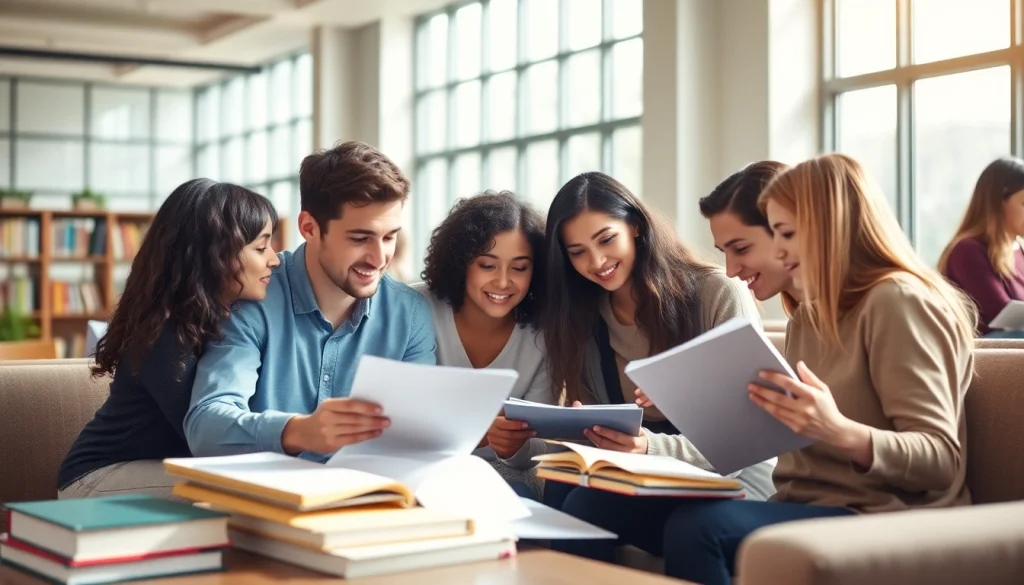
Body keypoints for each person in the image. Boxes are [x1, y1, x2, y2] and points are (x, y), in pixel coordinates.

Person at [650, 154, 976, 585]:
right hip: (805, 504)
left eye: (786, 233)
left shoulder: (896, 301)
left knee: (698, 530)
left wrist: (837, 429)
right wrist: (690, 400)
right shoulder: (808, 315)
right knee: (617, 508)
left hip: (880, 514)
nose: (780, 250)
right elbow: (790, 432)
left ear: (830, 227)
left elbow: (941, 460)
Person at [541, 171, 776, 556]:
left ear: (634, 226)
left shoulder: (716, 293)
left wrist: (648, 447)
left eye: (605, 240)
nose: (596, 261)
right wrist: (588, 433)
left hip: (731, 478)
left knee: (588, 507)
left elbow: (744, 440)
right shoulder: (585, 316)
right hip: (647, 477)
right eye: (577, 252)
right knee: (563, 484)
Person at [184, 141, 436, 459]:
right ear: (309, 228)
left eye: (389, 237)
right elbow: (205, 428)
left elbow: (421, 432)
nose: (378, 258)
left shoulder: (410, 314)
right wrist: (299, 431)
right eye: (360, 239)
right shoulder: (254, 299)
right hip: (270, 495)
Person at [57, 179, 280, 499]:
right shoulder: (164, 333)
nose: (274, 259)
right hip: (97, 476)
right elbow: (208, 439)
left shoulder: (223, 322)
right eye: (261, 247)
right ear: (214, 254)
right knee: (245, 493)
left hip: (160, 468)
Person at [414, 191, 552, 499]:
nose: (503, 282)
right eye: (487, 265)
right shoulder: (415, 306)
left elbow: (539, 450)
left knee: (519, 493)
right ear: (462, 264)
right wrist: (476, 435)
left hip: (504, 475)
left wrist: (513, 445)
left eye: (519, 268)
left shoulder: (542, 335)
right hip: (422, 467)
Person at [938, 156, 1024, 337]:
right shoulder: (967, 250)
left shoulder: (1018, 249)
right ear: (998, 203)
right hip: (984, 351)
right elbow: (1001, 315)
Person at [699, 160, 800, 309]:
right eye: (723, 251)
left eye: (741, 249)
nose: (730, 271)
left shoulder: (845, 322)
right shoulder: (801, 322)